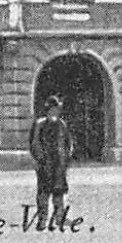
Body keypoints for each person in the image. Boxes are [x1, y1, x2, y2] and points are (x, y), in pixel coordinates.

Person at [28, 95, 74, 229]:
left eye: (57, 109)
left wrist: (66, 157)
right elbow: (35, 143)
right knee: (44, 191)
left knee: (59, 191)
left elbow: (68, 142)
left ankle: (60, 217)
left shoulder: (61, 124)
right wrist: (40, 159)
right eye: (52, 109)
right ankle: (42, 219)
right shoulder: (39, 124)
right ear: (48, 110)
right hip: (45, 163)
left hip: (59, 163)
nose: (55, 112)